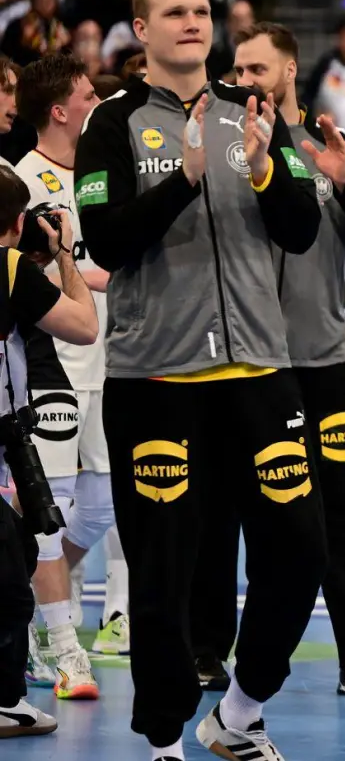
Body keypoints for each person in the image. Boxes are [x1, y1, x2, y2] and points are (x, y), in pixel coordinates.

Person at [76, 0, 327, 761]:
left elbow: (298, 230)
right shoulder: (110, 126)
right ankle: (161, 742)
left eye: (201, 11)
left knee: (299, 553)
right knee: (162, 579)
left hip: (259, 370)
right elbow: (107, 240)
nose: (193, 22)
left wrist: (260, 166)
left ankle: (242, 713)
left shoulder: (249, 113)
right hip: (156, 380)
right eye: (174, 13)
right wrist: (184, 181)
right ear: (141, 31)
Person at [230, 21, 345, 695]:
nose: (245, 81)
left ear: (290, 70)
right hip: (245, 362)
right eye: (238, 70)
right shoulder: (225, 142)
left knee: (339, 510)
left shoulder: (336, 144)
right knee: (236, 513)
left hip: (323, 358)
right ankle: (208, 653)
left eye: (257, 69)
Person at [12, 53, 114, 701]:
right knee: (47, 511)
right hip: (48, 364)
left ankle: (24, 590)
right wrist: (90, 275)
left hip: (107, 361)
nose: (96, 101)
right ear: (58, 109)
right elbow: (20, 277)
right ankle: (63, 644)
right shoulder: (17, 180)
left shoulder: (104, 173)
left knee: (100, 506)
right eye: (86, 93)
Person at [0, 158, 101, 739]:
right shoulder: (10, 267)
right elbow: (85, 325)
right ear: (16, 224)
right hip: (4, 424)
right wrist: (63, 253)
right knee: (12, 575)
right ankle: (8, 694)